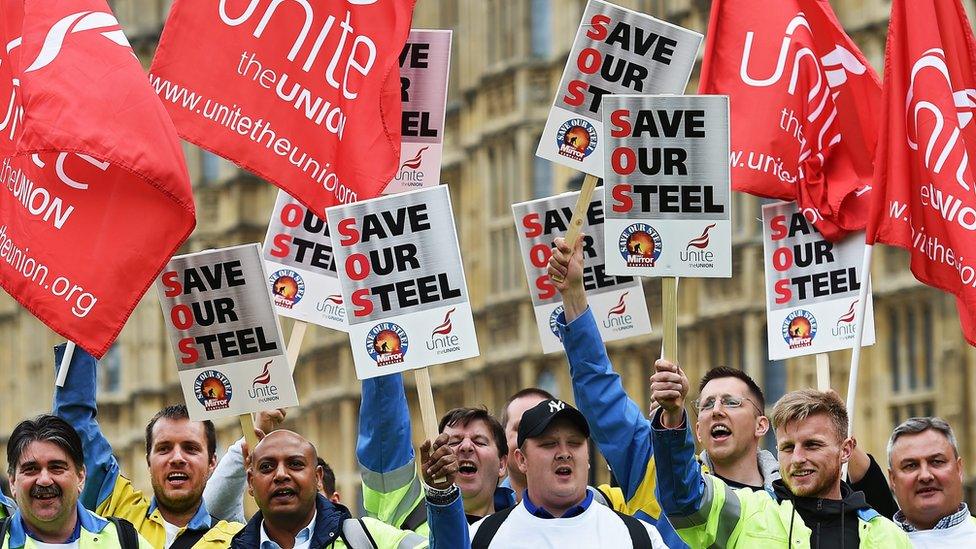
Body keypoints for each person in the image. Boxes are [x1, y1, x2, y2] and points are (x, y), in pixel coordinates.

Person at [651, 367, 910, 548]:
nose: (797, 458)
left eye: (812, 445)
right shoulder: (746, 512)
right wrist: (673, 417)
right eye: (787, 447)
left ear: (845, 450)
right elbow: (684, 500)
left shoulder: (888, 538)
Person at [51, 344, 243, 548]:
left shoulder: (237, 540)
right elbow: (74, 428)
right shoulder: (120, 511)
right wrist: (81, 338)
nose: (177, 458)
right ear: (148, 460)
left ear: (212, 461)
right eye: (164, 448)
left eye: (190, 448)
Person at [469, 398, 666, 548]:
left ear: (587, 456)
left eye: (574, 443)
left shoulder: (640, 537)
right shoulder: (479, 538)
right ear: (522, 460)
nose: (564, 454)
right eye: (549, 444)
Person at [229, 429, 468, 548]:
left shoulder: (368, 539)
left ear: (318, 477)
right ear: (250, 482)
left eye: (295, 464)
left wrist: (441, 495)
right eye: (267, 467)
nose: (281, 475)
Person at [356, 375, 515, 534]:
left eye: (479, 442)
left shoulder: (525, 529)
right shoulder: (406, 511)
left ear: (502, 464)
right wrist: (385, 359)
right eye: (453, 442)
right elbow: (385, 429)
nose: (466, 446)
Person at [1, 414, 152, 548]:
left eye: (56, 467)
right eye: (31, 469)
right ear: (13, 482)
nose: (44, 480)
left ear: (80, 477)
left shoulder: (125, 541)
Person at [887, 417, 976, 546]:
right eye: (911, 465)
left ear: (959, 469)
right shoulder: (868, 542)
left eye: (937, 462)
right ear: (892, 479)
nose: (925, 475)